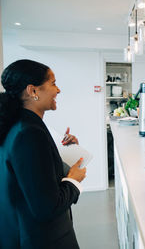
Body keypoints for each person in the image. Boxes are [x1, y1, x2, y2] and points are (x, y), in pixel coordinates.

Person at [0, 59, 86, 249]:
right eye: (53, 83)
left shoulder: (18, 125)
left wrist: (63, 152)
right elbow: (47, 207)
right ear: (33, 91)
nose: (58, 90)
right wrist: (74, 181)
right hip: (42, 239)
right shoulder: (29, 133)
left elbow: (30, 178)